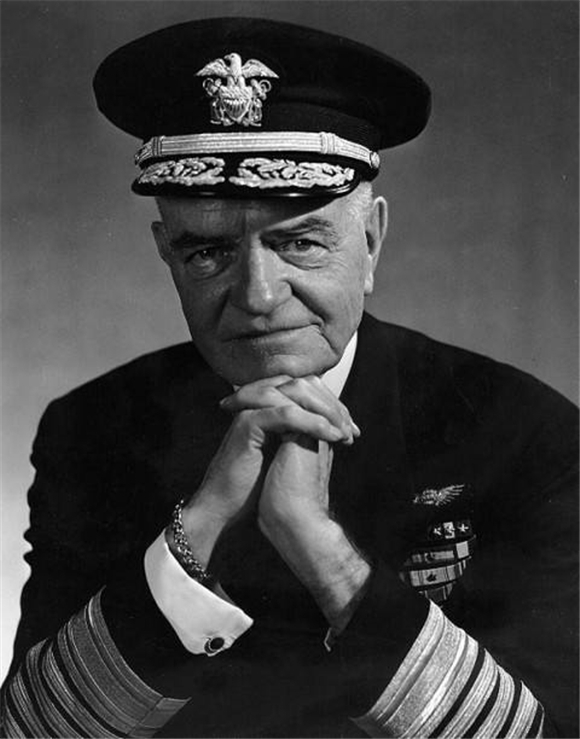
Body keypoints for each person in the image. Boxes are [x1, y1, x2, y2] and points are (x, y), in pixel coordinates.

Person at [1, 16, 577, 739]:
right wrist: (198, 529)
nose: (258, 295)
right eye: (207, 252)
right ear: (166, 253)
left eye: (299, 241)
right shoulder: (93, 430)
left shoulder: (522, 431)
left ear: (371, 241)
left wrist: (322, 551)